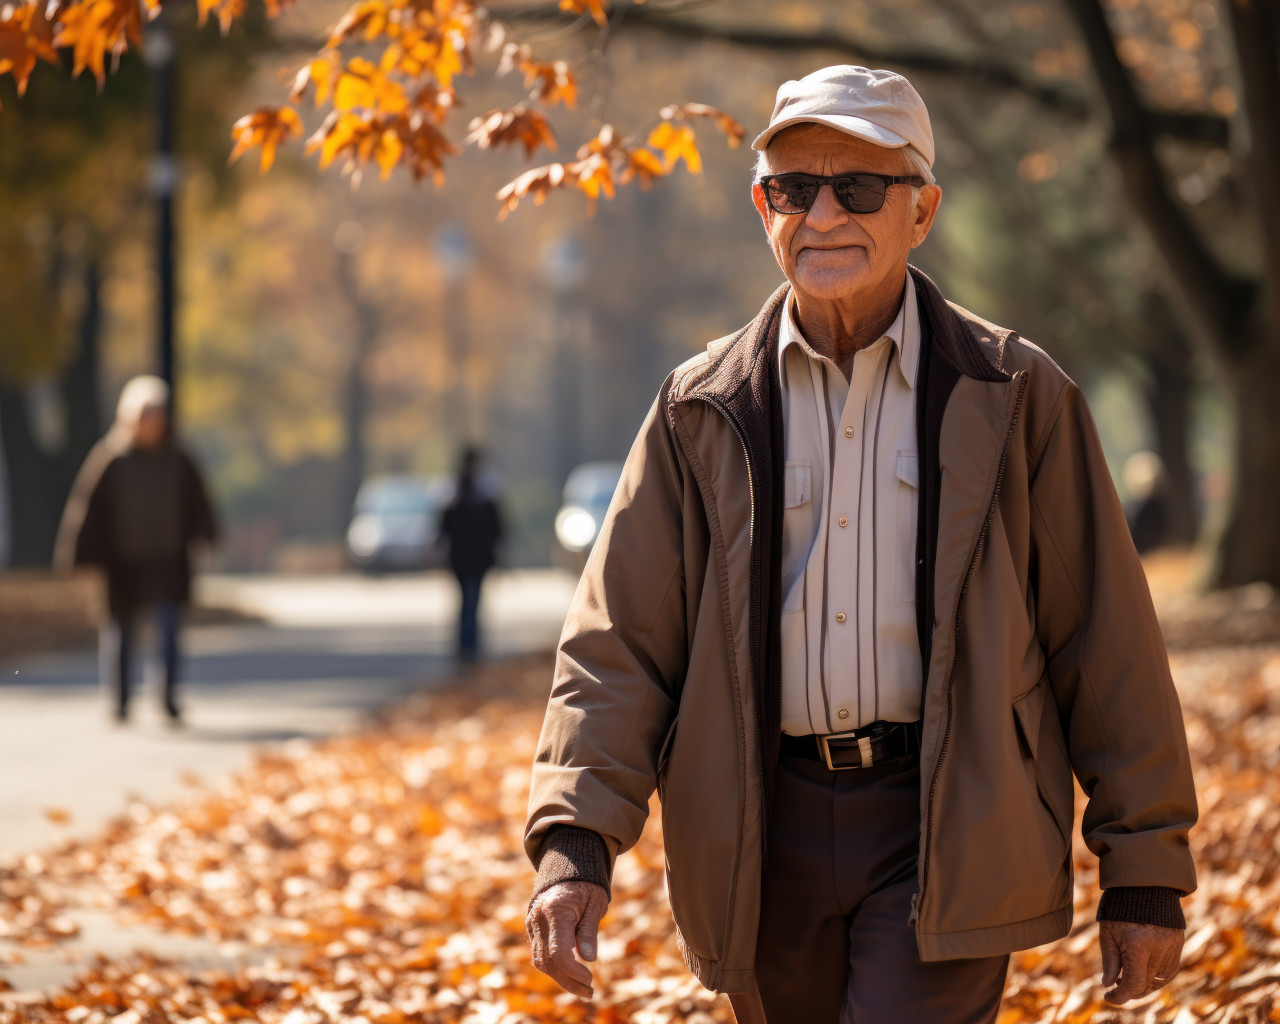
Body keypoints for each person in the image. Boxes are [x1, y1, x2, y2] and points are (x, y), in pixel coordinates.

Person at [523, 65, 1197, 1023]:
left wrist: (1145, 869)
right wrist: (575, 843)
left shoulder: (1015, 395)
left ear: (921, 212)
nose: (823, 214)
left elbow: (1106, 641)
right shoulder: (699, 407)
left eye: (860, 188)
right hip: (760, 829)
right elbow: (617, 643)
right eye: (795, 189)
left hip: (944, 820)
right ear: (765, 208)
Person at [56, 375, 218, 724]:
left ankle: (169, 697)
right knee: (121, 631)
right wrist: (79, 556)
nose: (150, 424)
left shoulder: (179, 459)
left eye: (156, 416)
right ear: (129, 418)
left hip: (168, 558)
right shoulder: (111, 458)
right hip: (123, 561)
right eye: (144, 416)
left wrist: (207, 534)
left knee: (170, 630)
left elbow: (199, 503)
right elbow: (88, 507)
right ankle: (121, 700)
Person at [438, 447, 503, 662]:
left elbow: (443, 525)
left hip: (464, 557)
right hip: (472, 557)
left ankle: (467, 643)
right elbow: (496, 526)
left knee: (467, 599)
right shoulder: (480, 491)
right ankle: (469, 644)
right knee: (471, 599)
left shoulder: (455, 490)